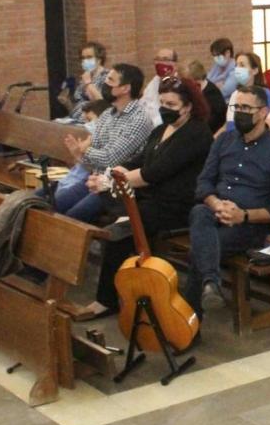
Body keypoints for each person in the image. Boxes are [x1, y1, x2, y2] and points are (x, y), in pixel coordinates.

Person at [79, 76, 214, 319]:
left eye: (171, 105)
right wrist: (112, 173)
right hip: (150, 198)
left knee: (117, 234)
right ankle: (131, 281)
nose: (165, 109)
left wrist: (110, 181)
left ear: (189, 106)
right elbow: (139, 161)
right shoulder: (162, 129)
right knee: (109, 206)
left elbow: (155, 172)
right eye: (162, 103)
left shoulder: (197, 133)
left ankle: (106, 300)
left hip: (177, 206)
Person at [185, 85, 270, 315]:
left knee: (200, 250)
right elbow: (203, 183)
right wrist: (216, 204)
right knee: (199, 212)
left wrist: (242, 215)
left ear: (263, 112)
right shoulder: (224, 141)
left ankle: (190, 321)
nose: (240, 112)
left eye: (247, 107)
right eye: (237, 107)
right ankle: (210, 284)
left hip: (249, 224)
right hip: (215, 212)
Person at [53, 64, 156, 219]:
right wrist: (79, 155)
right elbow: (95, 160)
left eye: (110, 80)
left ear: (125, 88)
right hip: (94, 178)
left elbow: (110, 159)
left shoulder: (138, 119)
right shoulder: (108, 114)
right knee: (50, 205)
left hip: (116, 188)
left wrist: (85, 150)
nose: (105, 84)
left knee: (72, 217)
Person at [59, 41, 110, 120]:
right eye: (83, 58)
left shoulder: (107, 77)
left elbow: (104, 104)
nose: (85, 61)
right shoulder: (85, 77)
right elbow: (78, 105)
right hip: (76, 119)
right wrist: (67, 102)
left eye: (89, 57)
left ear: (99, 59)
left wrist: (88, 83)